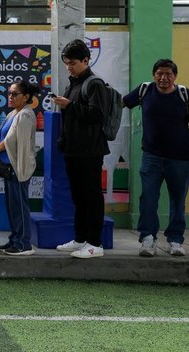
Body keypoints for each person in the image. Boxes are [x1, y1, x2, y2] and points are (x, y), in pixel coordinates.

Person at [122, 59, 189, 257]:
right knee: (148, 199)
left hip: (180, 159)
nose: (163, 78)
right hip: (151, 157)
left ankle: (175, 240)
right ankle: (148, 239)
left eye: (168, 74)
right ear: (154, 75)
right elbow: (121, 103)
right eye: (159, 73)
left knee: (178, 201)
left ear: (175, 76)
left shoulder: (184, 95)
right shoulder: (145, 91)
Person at [51, 39, 109, 259]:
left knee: (92, 196)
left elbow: (96, 115)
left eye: (73, 63)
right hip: (73, 149)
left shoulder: (94, 83)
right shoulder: (73, 82)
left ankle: (95, 243)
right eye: (66, 63)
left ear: (86, 60)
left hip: (90, 151)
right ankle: (80, 238)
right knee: (78, 196)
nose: (69, 67)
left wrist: (70, 105)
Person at [0, 80, 38, 256]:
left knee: (20, 206)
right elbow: (2, 134)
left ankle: (24, 244)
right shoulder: (13, 114)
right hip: (8, 167)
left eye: (15, 94)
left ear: (26, 97)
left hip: (19, 167)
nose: (10, 97)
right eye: (9, 93)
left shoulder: (25, 114)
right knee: (12, 206)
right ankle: (15, 239)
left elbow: (12, 140)